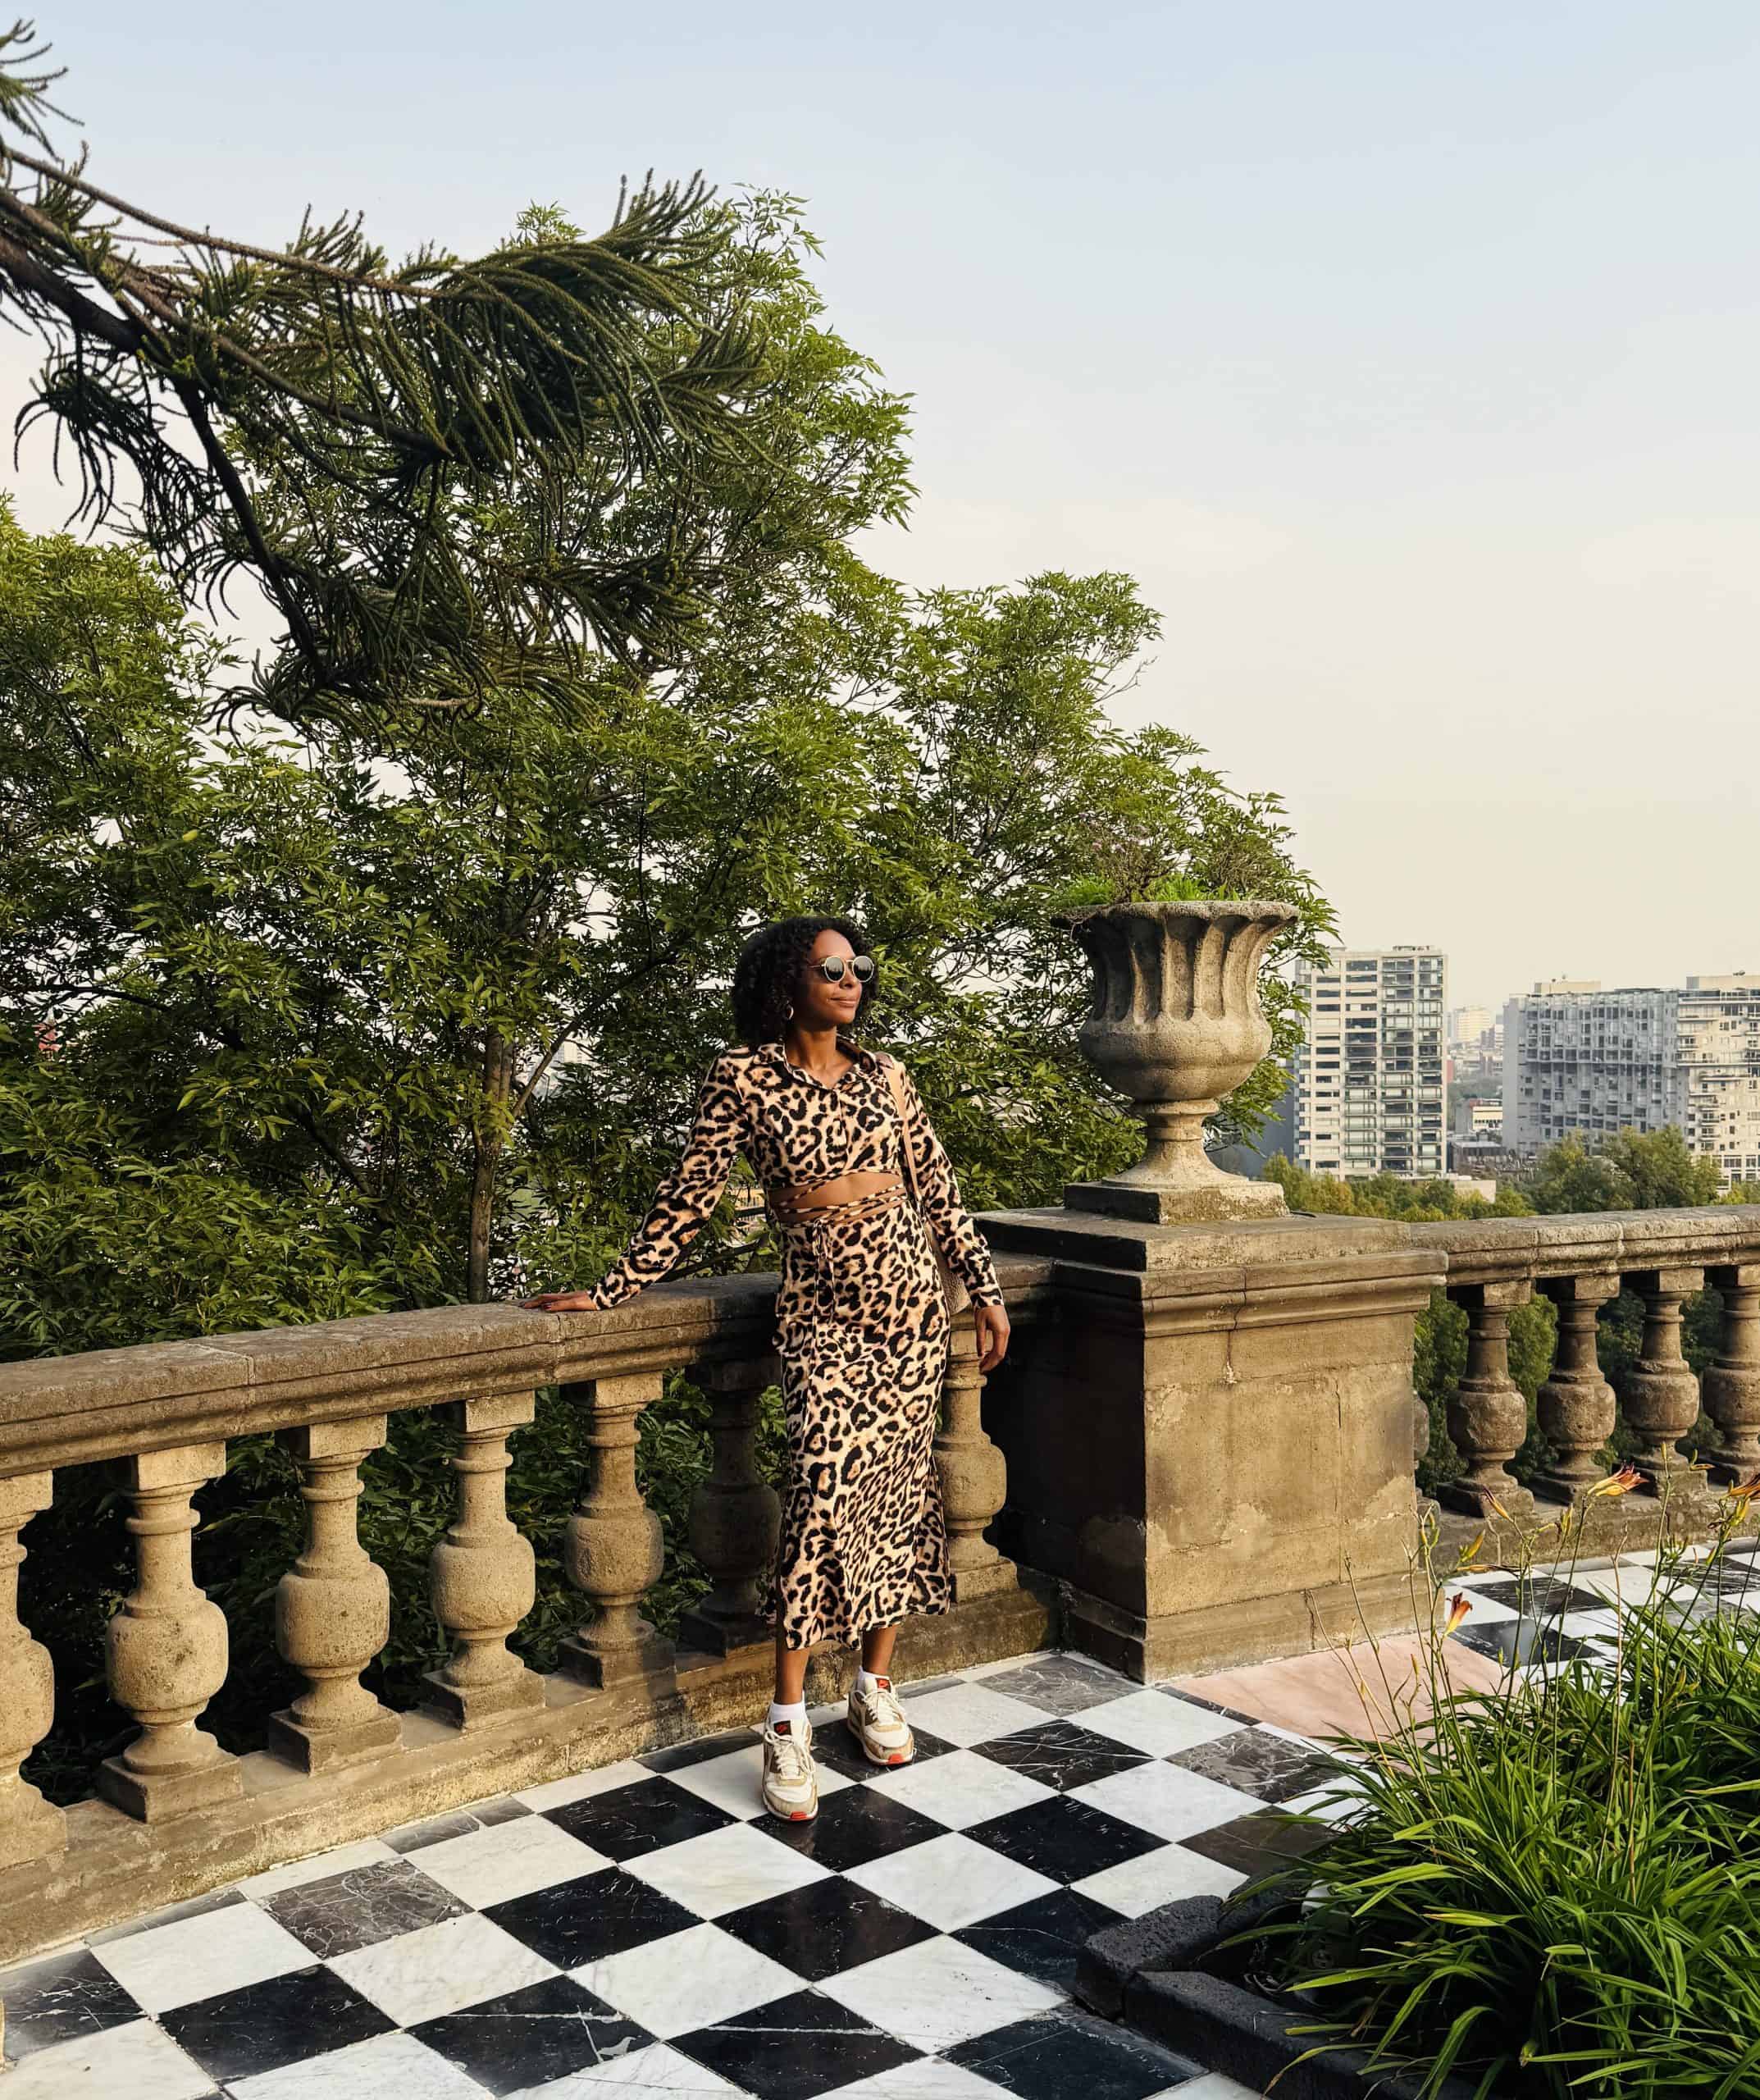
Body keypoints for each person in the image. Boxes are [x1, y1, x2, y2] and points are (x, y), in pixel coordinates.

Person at [525, 916, 1010, 1820]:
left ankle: (873, 1682)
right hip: (822, 1317)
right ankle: (786, 1719)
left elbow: (938, 1186)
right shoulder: (742, 1075)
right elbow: (690, 1193)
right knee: (821, 1494)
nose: (852, 978)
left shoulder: (886, 1074)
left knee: (899, 1495)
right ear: (789, 979)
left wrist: (982, 1288)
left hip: (910, 1307)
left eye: (861, 965)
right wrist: (611, 1290)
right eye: (833, 967)